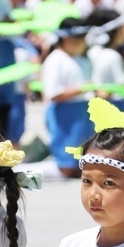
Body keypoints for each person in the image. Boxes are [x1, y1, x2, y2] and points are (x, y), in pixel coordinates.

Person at [42, 17, 93, 178]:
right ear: (67, 38)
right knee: (65, 167)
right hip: (64, 116)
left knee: (80, 166)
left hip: (82, 115)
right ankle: (20, 172)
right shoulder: (55, 60)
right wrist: (84, 88)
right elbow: (53, 94)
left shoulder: (82, 59)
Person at [87, 11, 124, 113]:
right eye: (121, 29)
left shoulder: (90, 52)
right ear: (112, 32)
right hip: (112, 110)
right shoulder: (113, 57)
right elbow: (120, 86)